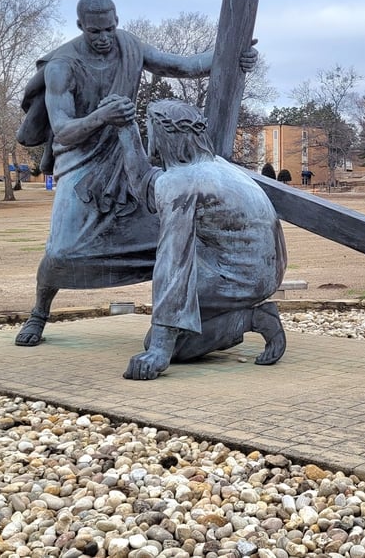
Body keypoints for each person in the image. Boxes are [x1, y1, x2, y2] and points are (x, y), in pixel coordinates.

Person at [14, 0, 257, 347]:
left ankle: (188, 321)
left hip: (127, 154)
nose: (104, 37)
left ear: (117, 22)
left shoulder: (130, 46)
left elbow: (185, 66)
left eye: (110, 28)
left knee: (172, 239)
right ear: (81, 27)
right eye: (95, 31)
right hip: (82, 161)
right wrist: (101, 117)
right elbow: (63, 128)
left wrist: (234, 57)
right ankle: (39, 313)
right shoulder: (62, 67)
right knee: (62, 251)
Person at [116, 98, 287, 380]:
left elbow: (173, 261)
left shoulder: (181, 182)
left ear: (161, 135)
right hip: (265, 272)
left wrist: (160, 348)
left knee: (173, 344)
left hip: (238, 278)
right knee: (180, 321)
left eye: (149, 131)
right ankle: (247, 314)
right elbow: (146, 187)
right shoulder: (218, 167)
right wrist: (127, 130)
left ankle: (250, 319)